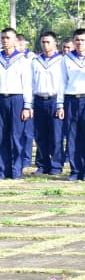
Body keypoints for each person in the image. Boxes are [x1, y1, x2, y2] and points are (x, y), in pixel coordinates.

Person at [62, 29, 85, 181]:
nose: (79, 43)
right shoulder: (67, 58)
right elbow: (62, 81)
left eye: (83, 40)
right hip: (71, 98)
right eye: (77, 40)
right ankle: (75, 169)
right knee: (73, 135)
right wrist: (60, 104)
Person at [30, 32, 64, 176]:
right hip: (39, 100)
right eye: (43, 42)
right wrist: (30, 104)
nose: (45, 45)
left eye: (48, 42)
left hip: (55, 100)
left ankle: (56, 165)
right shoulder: (35, 61)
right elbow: (30, 83)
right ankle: (43, 164)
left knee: (56, 135)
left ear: (55, 43)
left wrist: (61, 104)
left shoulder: (62, 61)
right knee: (40, 135)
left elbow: (63, 84)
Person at [0, 28, 32, 179]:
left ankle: (16, 169)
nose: (5, 41)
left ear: (14, 41)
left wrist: (27, 105)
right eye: (3, 38)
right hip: (1, 98)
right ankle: (2, 169)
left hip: (16, 99)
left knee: (16, 136)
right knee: (1, 136)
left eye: (8, 38)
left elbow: (27, 84)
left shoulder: (21, 59)